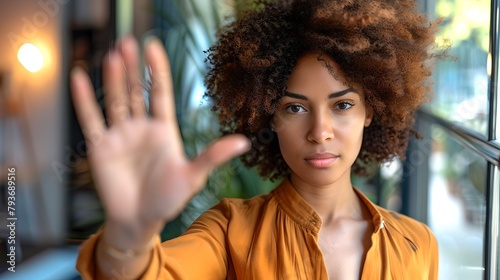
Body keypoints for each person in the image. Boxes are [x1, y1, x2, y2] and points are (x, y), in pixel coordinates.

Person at [73, 0, 442, 279]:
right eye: (294, 108)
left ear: (371, 110)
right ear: (269, 117)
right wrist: (130, 235)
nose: (319, 132)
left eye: (342, 104)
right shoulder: (230, 231)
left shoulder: (416, 244)